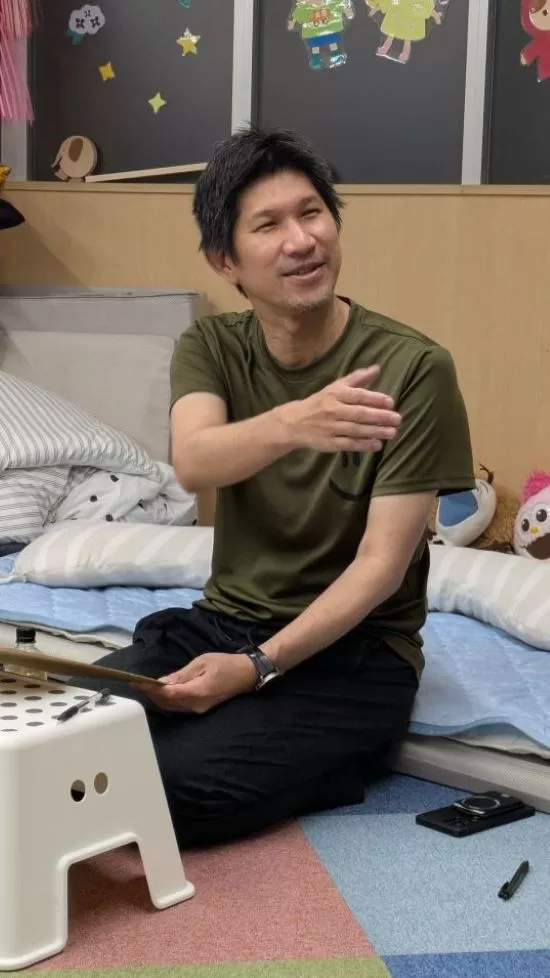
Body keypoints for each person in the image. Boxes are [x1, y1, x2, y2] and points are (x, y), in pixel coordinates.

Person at [86, 126, 474, 849]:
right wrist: (295, 423)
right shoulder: (212, 345)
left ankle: (337, 764)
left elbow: (381, 566)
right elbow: (195, 461)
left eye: (312, 213)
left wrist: (256, 668)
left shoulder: (415, 368)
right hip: (222, 624)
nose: (301, 241)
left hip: (355, 655)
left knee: (165, 789)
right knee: (61, 730)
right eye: (268, 225)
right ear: (225, 260)